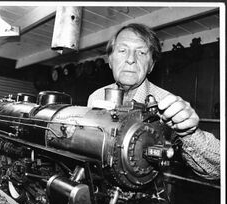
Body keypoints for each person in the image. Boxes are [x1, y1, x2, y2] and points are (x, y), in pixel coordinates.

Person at [87, 23, 220, 180]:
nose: (131, 59)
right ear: (110, 60)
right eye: (122, 50)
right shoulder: (96, 97)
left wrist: (190, 133)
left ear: (151, 65)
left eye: (142, 53)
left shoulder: (167, 104)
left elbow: (217, 170)